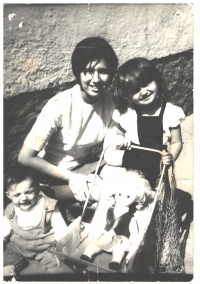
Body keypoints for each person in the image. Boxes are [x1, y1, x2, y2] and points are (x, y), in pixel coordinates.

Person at [18, 37, 118, 203]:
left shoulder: (110, 104)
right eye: (88, 71)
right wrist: (72, 177)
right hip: (52, 178)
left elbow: (110, 152)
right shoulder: (60, 105)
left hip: (83, 171)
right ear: (78, 72)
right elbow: (24, 157)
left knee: (125, 181)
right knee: (106, 195)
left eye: (103, 71)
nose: (96, 79)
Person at [104, 57, 185, 189]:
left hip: (157, 164)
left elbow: (176, 142)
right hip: (131, 163)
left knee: (155, 195)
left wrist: (171, 157)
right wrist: (122, 140)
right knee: (130, 193)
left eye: (146, 84)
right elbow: (119, 134)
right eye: (135, 90)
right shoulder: (128, 113)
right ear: (127, 95)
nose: (143, 92)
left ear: (156, 80)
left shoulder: (171, 112)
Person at [69, 169, 155, 271]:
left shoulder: (130, 217)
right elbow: (102, 219)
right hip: (106, 234)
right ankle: (87, 254)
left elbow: (134, 232)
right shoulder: (111, 209)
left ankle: (116, 262)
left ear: (135, 199)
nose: (122, 198)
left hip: (119, 238)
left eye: (128, 196)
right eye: (119, 194)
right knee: (95, 244)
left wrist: (134, 242)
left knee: (119, 250)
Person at [3, 165, 69, 276]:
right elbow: (4, 228)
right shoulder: (11, 210)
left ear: (38, 189)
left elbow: (61, 227)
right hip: (18, 245)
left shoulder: (48, 206)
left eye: (29, 192)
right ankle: (9, 271)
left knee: (59, 262)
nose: (24, 198)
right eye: (17, 195)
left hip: (44, 246)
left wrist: (58, 245)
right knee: (7, 256)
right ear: (8, 195)